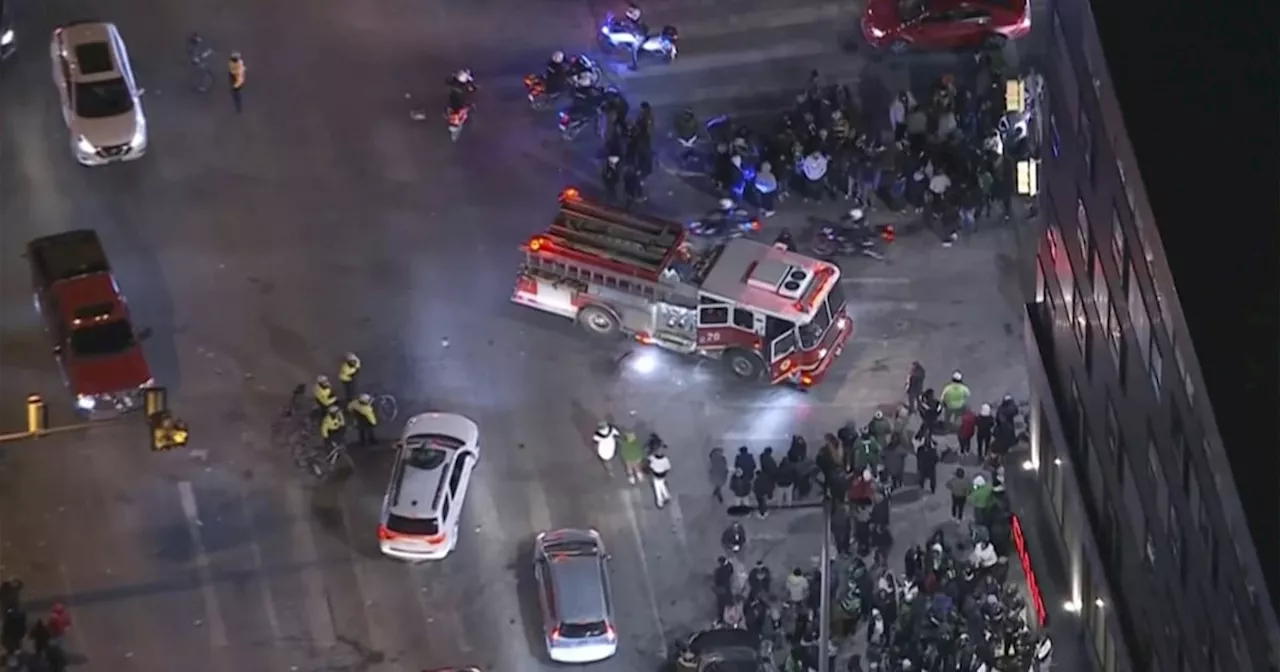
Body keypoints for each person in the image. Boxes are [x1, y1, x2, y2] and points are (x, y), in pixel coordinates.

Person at [619, 4, 648, 70]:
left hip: (640, 35)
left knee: (633, 50)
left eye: (631, 9)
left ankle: (634, 66)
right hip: (638, 32)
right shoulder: (635, 13)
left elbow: (633, 18)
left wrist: (628, 15)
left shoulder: (637, 12)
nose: (629, 10)